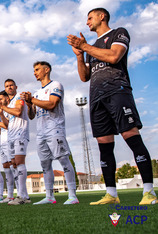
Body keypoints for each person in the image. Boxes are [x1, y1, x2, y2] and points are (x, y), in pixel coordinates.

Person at [67, 8, 156, 205]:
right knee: (104, 147)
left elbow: (114, 57)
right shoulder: (91, 46)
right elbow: (84, 77)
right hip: (96, 98)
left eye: (90, 17)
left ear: (102, 16)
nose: (87, 21)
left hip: (118, 92)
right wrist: (80, 55)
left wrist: (85, 45)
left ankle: (149, 192)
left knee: (132, 138)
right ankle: (111, 194)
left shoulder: (119, 33)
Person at [22, 61, 78, 205]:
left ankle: (72, 195)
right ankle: (49, 196)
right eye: (34, 70)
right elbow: (32, 115)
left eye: (37, 69)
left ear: (46, 70)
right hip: (41, 132)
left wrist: (32, 99)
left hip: (55, 129)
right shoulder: (37, 92)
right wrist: (29, 104)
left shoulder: (55, 85)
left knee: (64, 159)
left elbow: (52, 104)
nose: (35, 72)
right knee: (45, 165)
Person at [0, 79, 30, 205]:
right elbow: (7, 125)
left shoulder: (19, 97)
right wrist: (1, 113)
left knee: (19, 163)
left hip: (20, 133)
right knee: (14, 164)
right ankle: (23, 195)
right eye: (7, 86)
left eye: (11, 85)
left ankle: (22, 196)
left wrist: (1, 106)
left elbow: (19, 112)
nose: (9, 88)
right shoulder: (9, 105)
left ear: (16, 86)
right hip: (11, 135)